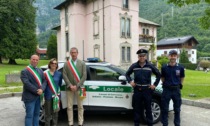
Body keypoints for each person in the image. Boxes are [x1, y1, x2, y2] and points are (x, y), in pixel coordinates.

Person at [125, 49, 161, 126]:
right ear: (138, 57)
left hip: (147, 91)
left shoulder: (150, 66)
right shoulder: (134, 66)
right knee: (136, 109)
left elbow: (158, 74)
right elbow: (127, 74)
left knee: (148, 109)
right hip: (137, 90)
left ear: (146, 56)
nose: (142, 57)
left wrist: (154, 85)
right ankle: (136, 124)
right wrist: (130, 82)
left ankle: (150, 124)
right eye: (140, 56)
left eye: (143, 56)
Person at [63, 47, 87, 126]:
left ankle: (80, 122)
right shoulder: (66, 64)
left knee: (80, 106)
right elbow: (64, 75)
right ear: (70, 54)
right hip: (69, 88)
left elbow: (84, 76)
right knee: (69, 107)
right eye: (72, 52)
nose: (73, 54)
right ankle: (71, 123)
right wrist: (70, 85)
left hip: (80, 88)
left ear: (77, 53)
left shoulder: (82, 63)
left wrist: (77, 85)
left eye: (75, 52)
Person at [20, 54, 47, 126]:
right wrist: (37, 91)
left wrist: (42, 89)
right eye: (33, 59)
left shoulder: (40, 70)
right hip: (29, 97)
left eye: (36, 60)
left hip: (38, 97)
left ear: (38, 61)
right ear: (30, 60)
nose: (35, 61)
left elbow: (44, 81)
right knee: (29, 116)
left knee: (36, 115)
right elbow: (27, 84)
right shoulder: (25, 71)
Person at [161, 50, 185, 126]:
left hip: (176, 90)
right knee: (165, 109)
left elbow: (182, 77)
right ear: (169, 56)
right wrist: (166, 83)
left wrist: (180, 84)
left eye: (174, 55)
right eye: (171, 55)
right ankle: (165, 124)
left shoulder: (180, 67)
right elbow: (162, 77)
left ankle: (177, 124)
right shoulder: (164, 67)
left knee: (177, 109)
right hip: (167, 90)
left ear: (176, 56)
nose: (173, 57)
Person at [44, 58, 62, 126]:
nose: (54, 65)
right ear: (50, 64)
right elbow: (43, 84)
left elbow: (59, 84)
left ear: (57, 65)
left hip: (56, 96)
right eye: (52, 63)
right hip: (48, 95)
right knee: (48, 114)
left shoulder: (59, 74)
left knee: (55, 113)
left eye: (55, 63)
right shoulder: (45, 73)